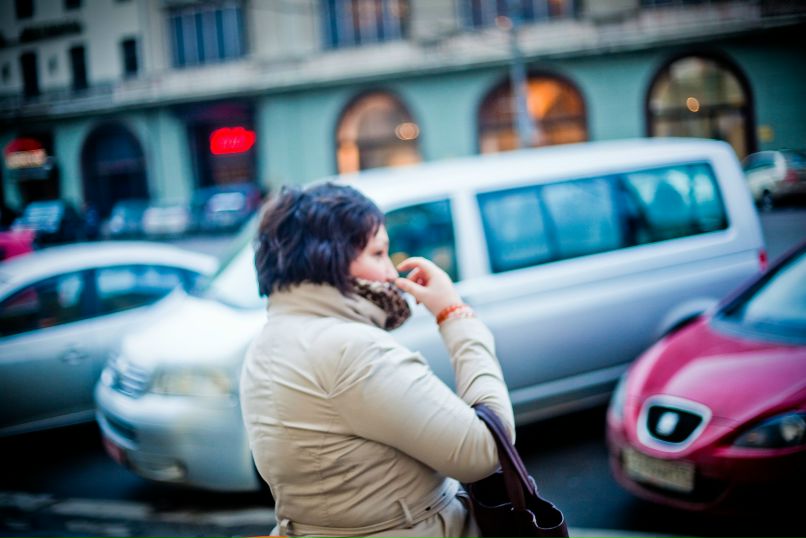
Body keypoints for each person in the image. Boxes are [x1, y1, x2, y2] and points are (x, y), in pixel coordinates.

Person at [240, 182, 515, 537]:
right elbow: (485, 451)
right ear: (331, 257)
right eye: (378, 253)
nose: (390, 272)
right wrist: (455, 314)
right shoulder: (351, 349)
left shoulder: (267, 342)